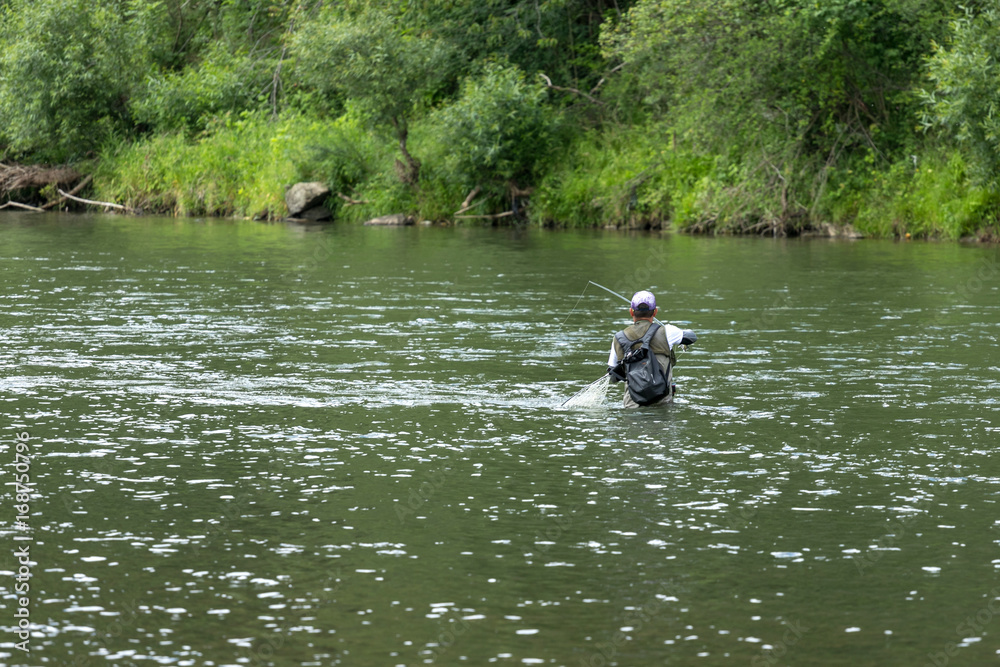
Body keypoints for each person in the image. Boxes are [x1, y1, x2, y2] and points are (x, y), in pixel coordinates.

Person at [607, 290, 696, 408]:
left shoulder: (618, 338)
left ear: (631, 312)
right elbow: (691, 337)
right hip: (662, 403)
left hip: (632, 405)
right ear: (655, 312)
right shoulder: (667, 331)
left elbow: (613, 377)